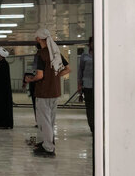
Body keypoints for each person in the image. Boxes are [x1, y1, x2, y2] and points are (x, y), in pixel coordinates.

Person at [25, 28, 71, 157]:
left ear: (39, 39)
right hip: (55, 91)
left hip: (44, 92)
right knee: (50, 121)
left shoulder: (41, 54)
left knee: (44, 121)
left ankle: (48, 148)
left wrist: (30, 79)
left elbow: (39, 75)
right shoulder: (56, 53)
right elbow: (68, 69)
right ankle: (45, 142)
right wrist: (55, 76)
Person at [78, 37, 94, 133]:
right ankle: (92, 126)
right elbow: (80, 70)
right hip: (87, 86)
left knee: (98, 106)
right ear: (90, 44)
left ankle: (99, 125)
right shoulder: (84, 56)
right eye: (92, 42)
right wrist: (79, 84)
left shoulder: (101, 53)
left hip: (99, 86)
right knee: (89, 107)